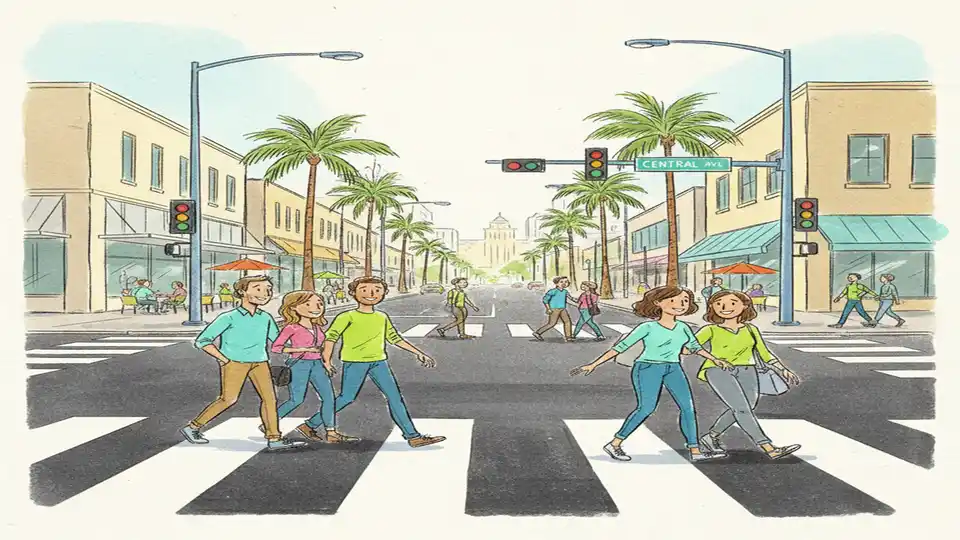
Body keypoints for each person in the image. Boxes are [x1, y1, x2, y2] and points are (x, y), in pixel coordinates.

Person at [570, 286, 726, 463]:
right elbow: (621, 347)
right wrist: (594, 364)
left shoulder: (683, 327)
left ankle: (695, 449)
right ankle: (615, 443)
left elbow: (695, 347)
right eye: (674, 300)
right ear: (658, 302)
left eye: (685, 301)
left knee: (688, 408)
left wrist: (715, 359)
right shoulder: (648, 327)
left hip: (673, 368)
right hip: (647, 368)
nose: (681, 304)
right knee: (646, 408)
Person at [180, 276, 306, 452]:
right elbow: (203, 341)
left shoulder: (266, 317)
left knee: (270, 399)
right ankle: (193, 427)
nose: (265, 293)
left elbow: (277, 343)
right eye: (258, 288)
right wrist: (224, 359)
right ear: (242, 292)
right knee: (228, 399)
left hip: (260, 362)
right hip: (234, 363)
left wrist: (300, 346)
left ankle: (274, 437)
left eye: (268, 289)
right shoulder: (229, 317)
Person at [322, 276, 446, 448]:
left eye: (377, 290)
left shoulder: (382, 317)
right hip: (355, 362)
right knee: (346, 398)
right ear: (353, 293)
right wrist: (326, 361)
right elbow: (331, 337)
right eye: (364, 290)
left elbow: (394, 338)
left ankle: (413, 436)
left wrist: (418, 352)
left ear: (384, 293)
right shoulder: (347, 316)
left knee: (395, 397)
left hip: (379, 362)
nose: (371, 294)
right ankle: (311, 424)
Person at [695, 291, 802, 460]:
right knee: (742, 409)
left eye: (732, 303)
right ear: (712, 308)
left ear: (744, 305)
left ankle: (711, 436)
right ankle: (768, 447)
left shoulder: (751, 329)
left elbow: (765, 353)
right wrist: (714, 359)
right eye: (719, 304)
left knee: (746, 407)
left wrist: (782, 369)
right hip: (717, 370)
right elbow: (689, 347)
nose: (725, 308)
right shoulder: (710, 330)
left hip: (748, 370)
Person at [271, 291, 358, 443]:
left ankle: (331, 432)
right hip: (299, 364)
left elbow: (322, 346)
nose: (316, 307)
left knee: (329, 398)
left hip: (317, 364)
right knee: (296, 400)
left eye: (319, 303)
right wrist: (301, 349)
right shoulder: (292, 328)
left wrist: (326, 362)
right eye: (308, 304)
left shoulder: (316, 326)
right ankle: (270, 423)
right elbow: (277, 347)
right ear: (294, 308)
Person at [533, 276, 573, 342]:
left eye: (566, 282)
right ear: (556, 283)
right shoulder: (553, 291)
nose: (564, 283)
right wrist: (548, 309)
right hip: (554, 309)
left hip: (562, 309)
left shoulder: (565, 291)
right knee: (552, 323)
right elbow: (545, 300)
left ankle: (568, 337)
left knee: (567, 321)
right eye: (561, 282)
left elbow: (570, 299)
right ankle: (537, 333)